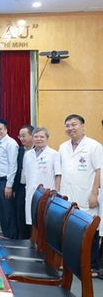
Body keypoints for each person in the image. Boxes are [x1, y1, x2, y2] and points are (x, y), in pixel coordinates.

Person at [57, 114, 101, 277]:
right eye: (67, 125)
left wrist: (94, 193)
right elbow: (60, 172)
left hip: (86, 195)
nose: (70, 128)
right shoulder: (63, 147)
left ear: (83, 125)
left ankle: (92, 266)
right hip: (67, 195)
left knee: (90, 230)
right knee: (69, 230)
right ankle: (70, 262)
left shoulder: (94, 146)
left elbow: (99, 171)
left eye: (74, 124)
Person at [22, 127, 61, 226]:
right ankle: (34, 241)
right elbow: (26, 175)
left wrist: (56, 191)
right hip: (31, 193)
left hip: (48, 194)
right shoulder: (27, 155)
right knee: (33, 223)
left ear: (47, 138)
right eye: (36, 136)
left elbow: (58, 175)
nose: (38, 139)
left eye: (41, 137)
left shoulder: (54, 154)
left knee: (46, 223)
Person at [0, 119, 19, 239]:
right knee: (1, 213)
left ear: (6, 130)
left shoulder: (11, 143)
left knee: (8, 214)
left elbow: (13, 165)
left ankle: (12, 241)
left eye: (0, 129)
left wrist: (9, 185)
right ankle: (5, 238)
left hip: (5, 183)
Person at [14, 125, 34, 239]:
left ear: (31, 135)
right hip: (21, 187)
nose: (21, 138)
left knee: (33, 214)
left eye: (24, 135)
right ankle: (24, 238)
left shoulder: (38, 150)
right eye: (20, 136)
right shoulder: (20, 151)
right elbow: (17, 170)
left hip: (35, 188)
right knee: (21, 214)